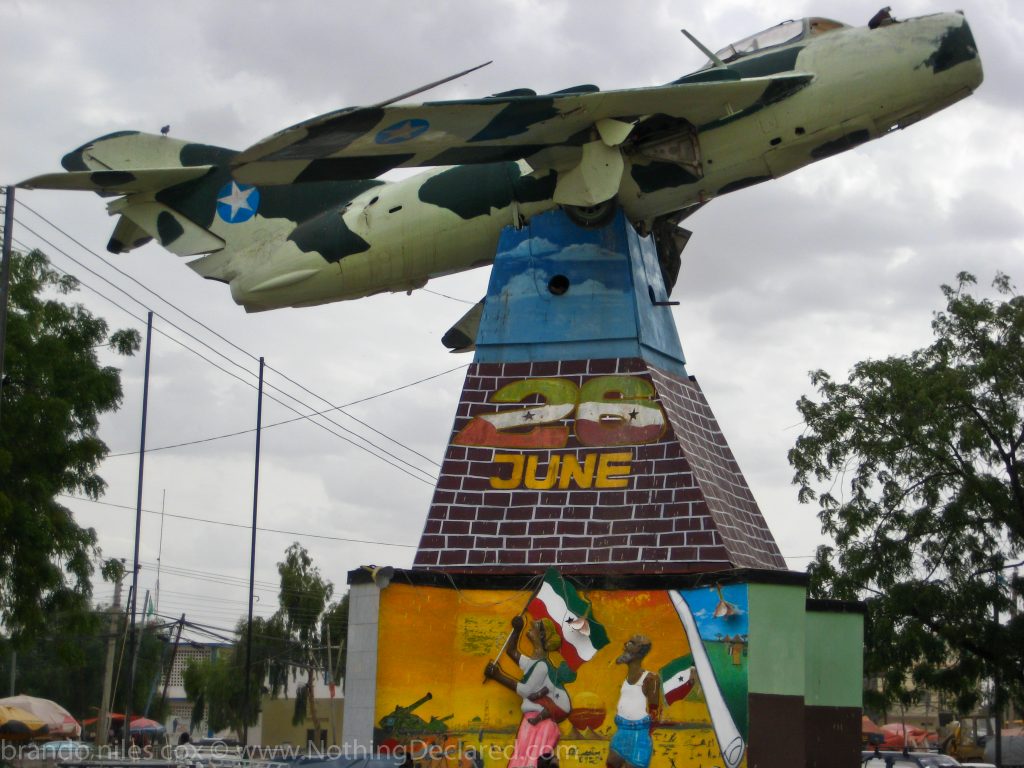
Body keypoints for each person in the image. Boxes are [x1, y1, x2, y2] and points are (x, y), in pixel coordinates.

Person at [484, 615, 572, 768]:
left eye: (534, 628)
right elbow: (511, 651)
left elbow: (525, 690)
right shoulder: (532, 662)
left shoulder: (542, 666)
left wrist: (497, 676)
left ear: (542, 636)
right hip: (532, 722)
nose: (530, 629)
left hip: (540, 724)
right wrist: (517, 630)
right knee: (522, 762)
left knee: (529, 763)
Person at [607, 635, 661, 768]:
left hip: (639, 736)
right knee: (611, 763)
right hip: (621, 733)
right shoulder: (626, 679)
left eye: (631, 643)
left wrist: (641, 729)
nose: (625, 645)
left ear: (639, 650)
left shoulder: (650, 679)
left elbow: (655, 712)